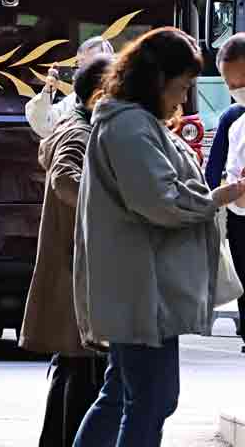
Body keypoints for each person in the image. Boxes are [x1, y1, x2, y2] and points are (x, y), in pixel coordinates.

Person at [72, 28, 245, 447]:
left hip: (140, 286)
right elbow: (160, 201)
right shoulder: (130, 126)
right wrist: (221, 196)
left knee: (124, 396)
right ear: (158, 79)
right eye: (183, 86)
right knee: (151, 400)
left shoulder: (133, 121)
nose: (183, 98)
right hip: (141, 288)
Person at [22, 55, 114, 447]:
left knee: (73, 368)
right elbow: (65, 179)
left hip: (70, 265)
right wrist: (111, 209)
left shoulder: (76, 125)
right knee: (82, 371)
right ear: (98, 95)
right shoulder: (78, 132)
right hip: (75, 267)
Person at [204, 32, 245, 353]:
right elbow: (212, 171)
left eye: (240, 82)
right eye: (229, 85)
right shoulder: (231, 117)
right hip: (238, 215)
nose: (235, 91)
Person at [26, 36, 115, 139]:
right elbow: (45, 124)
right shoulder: (74, 100)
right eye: (79, 64)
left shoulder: (123, 99)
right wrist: (47, 92)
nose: (81, 71)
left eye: (89, 65)